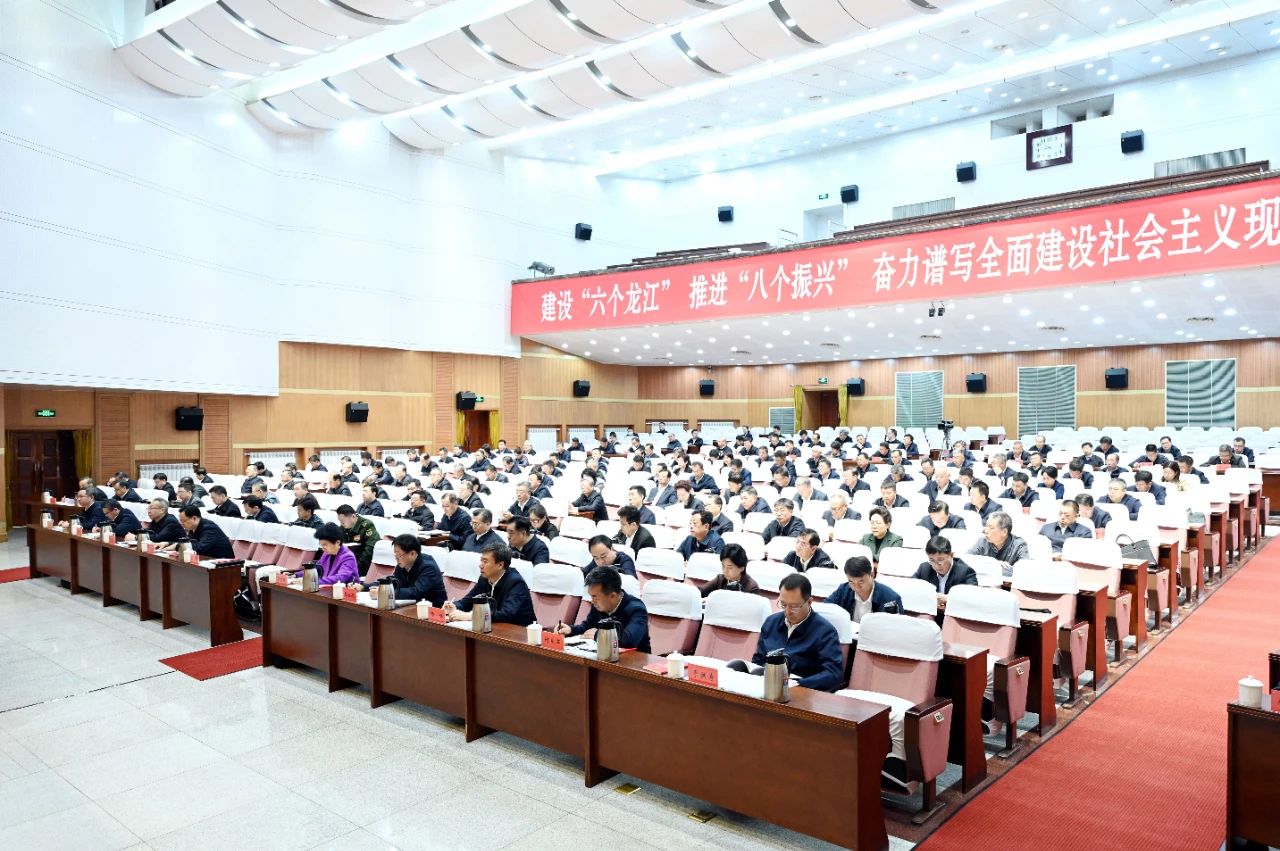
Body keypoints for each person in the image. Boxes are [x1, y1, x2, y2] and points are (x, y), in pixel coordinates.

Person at [734, 574, 843, 692]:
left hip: (802, 692)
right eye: (783, 604)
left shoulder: (825, 632)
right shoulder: (771, 622)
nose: (787, 611)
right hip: (766, 688)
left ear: (809, 602)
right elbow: (759, 660)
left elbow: (833, 674)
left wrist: (798, 683)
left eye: (794, 607)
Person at [555, 566, 651, 653]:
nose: (592, 601)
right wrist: (570, 630)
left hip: (635, 662)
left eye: (595, 597)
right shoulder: (599, 604)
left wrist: (598, 635)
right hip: (604, 656)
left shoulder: (637, 609)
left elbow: (628, 642)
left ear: (612, 596)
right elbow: (587, 627)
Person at [444, 543, 536, 626]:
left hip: (520, 632)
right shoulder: (484, 578)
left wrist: (472, 616)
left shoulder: (516, 583)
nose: (480, 565)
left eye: (485, 561)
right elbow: (467, 602)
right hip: (494, 627)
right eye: (481, 561)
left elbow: (505, 614)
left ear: (500, 565)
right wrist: (454, 606)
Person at [364, 534, 446, 604]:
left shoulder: (428, 567)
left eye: (399, 555)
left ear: (412, 553)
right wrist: (364, 587)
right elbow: (394, 582)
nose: (396, 559)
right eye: (395, 555)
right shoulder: (402, 565)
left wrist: (385, 594)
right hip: (410, 607)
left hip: (433, 611)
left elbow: (416, 592)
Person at [826, 556, 903, 623]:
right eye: (851, 581)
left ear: (872, 575)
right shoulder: (843, 590)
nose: (856, 587)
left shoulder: (891, 599)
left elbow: (895, 628)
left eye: (861, 581)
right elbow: (826, 609)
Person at [913, 536, 978, 610]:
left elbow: (972, 599)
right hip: (929, 610)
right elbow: (911, 588)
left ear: (951, 555)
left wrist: (948, 599)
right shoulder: (924, 568)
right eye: (932, 560)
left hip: (955, 612)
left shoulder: (966, 572)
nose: (936, 565)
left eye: (940, 560)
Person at [336, 504, 378, 576]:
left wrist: (355, 568)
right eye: (340, 521)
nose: (341, 524)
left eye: (343, 521)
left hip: (362, 564)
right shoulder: (344, 527)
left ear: (353, 516)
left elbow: (370, 550)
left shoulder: (367, 525)